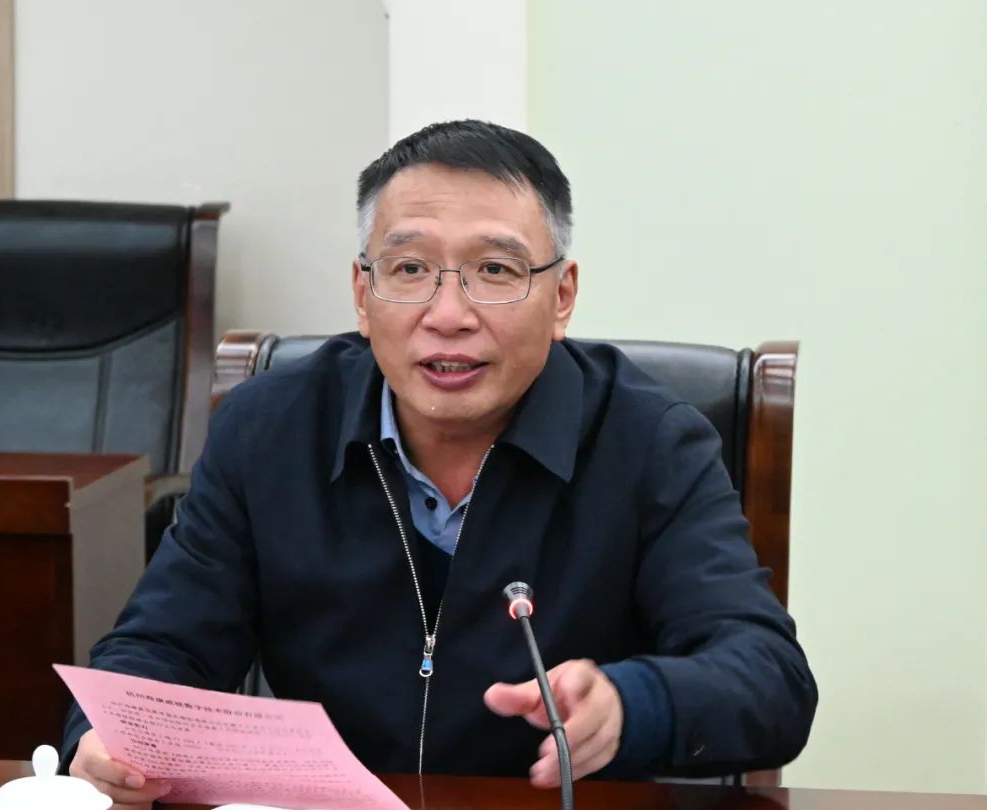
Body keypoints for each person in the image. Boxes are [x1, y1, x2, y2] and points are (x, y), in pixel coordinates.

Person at [64, 120, 817, 808]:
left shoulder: (649, 443)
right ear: (363, 294)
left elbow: (770, 680)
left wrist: (630, 703)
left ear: (562, 297)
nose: (448, 315)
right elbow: (162, 644)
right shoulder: (268, 430)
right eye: (409, 268)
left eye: (495, 270)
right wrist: (105, 737)